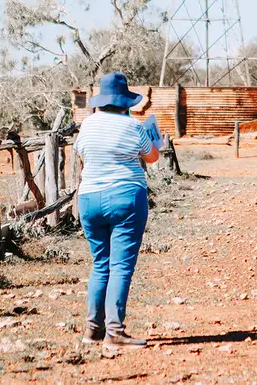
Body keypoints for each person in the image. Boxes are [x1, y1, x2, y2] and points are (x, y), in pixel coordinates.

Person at [74, 72, 160, 349]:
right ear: (126, 103)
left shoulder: (87, 125)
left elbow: (83, 155)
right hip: (125, 196)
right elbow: (153, 156)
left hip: (89, 198)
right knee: (121, 266)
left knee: (101, 264)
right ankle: (114, 332)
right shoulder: (133, 127)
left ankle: (91, 330)